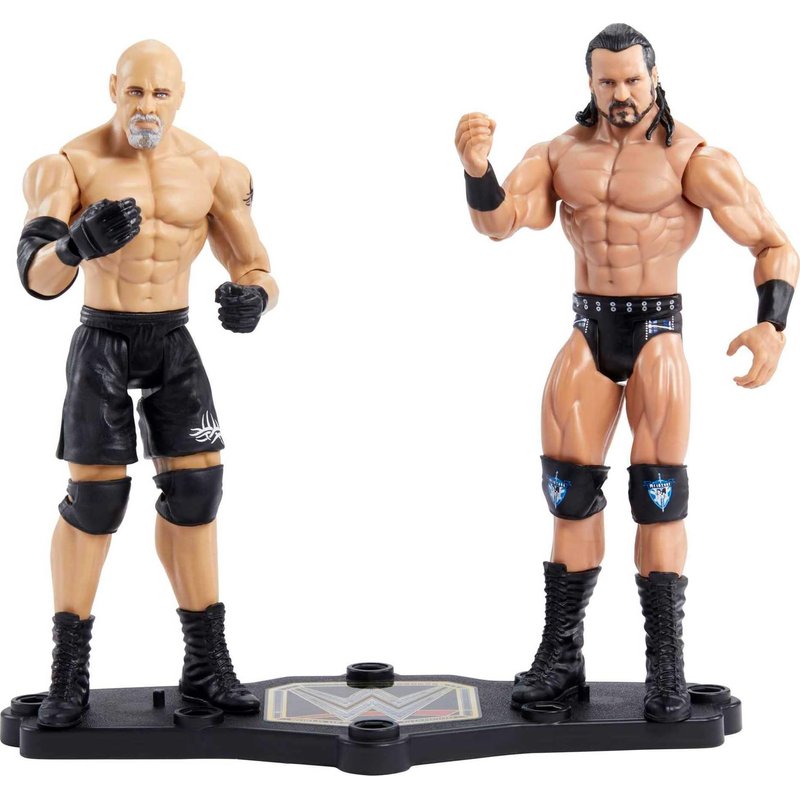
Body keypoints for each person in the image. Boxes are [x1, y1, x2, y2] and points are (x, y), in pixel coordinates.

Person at [455, 23, 796, 722]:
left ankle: (666, 667)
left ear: (654, 76)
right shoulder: (560, 154)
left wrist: (772, 324)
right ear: (590, 82)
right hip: (588, 326)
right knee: (569, 494)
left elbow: (772, 243)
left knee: (659, 495)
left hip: (656, 332)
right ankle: (561, 661)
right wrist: (477, 170)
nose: (621, 93)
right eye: (608, 81)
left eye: (633, 80)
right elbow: (501, 223)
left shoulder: (692, 157)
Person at [17, 40, 278, 728]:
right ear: (114, 89)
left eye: (160, 94)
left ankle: (207, 666)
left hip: (173, 339)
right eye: (135, 92)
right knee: (95, 501)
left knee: (198, 491)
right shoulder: (69, 164)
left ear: (180, 96)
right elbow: (35, 277)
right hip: (102, 338)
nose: (147, 107)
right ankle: (68, 674)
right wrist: (75, 245)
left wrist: (254, 298)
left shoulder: (212, 168)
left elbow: (256, 265)